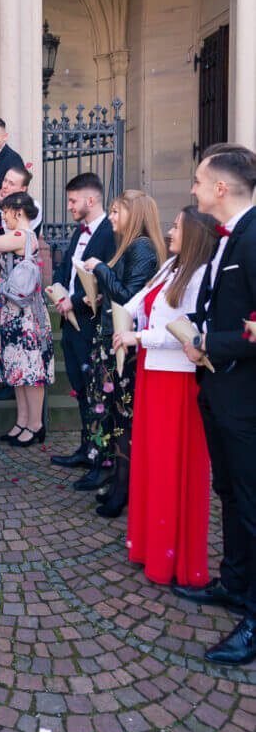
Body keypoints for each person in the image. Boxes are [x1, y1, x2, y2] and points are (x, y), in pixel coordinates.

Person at [173, 144, 256, 667]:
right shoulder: (229, 239)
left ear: (221, 188)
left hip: (246, 398)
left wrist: (210, 344)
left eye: (200, 182)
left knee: (252, 504)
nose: (195, 190)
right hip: (222, 393)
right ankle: (234, 582)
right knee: (229, 492)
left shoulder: (253, 238)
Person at [114, 206, 217, 587]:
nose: (170, 231)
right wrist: (123, 324)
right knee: (150, 462)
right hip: (151, 372)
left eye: (176, 226)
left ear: (193, 235)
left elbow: (188, 334)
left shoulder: (199, 275)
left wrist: (136, 337)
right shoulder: (168, 266)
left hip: (178, 381)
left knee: (170, 467)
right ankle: (148, 545)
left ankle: (173, 556)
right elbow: (135, 304)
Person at [82, 189, 166, 516]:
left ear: (136, 214)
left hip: (126, 347)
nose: (112, 218)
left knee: (124, 420)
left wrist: (101, 269)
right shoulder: (130, 247)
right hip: (115, 339)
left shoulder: (142, 247)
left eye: (117, 212)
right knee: (118, 419)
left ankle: (123, 489)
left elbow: (129, 296)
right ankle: (119, 483)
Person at [50, 173, 116, 471]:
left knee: (95, 393)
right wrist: (58, 291)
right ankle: (85, 448)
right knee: (81, 390)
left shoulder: (109, 233)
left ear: (91, 200)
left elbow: (105, 281)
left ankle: (99, 458)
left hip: (92, 325)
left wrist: (73, 301)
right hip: (71, 324)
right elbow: (66, 269)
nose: (69, 206)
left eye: (73, 200)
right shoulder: (80, 232)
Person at [0, 192, 54, 445]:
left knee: (30, 371)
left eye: (5, 212)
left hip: (25, 314)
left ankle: (36, 424)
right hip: (11, 311)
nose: (3, 217)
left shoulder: (21, 236)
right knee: (17, 370)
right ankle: (22, 420)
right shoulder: (16, 237)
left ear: (18, 211)